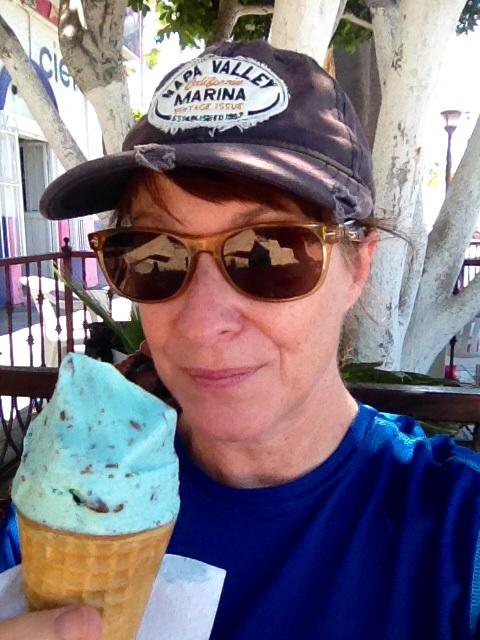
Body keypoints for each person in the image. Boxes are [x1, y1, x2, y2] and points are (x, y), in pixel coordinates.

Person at [2, 40, 480, 640]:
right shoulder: (66, 499)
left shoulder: (460, 540)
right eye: (154, 254)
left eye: (269, 253)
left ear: (358, 267)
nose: (201, 323)